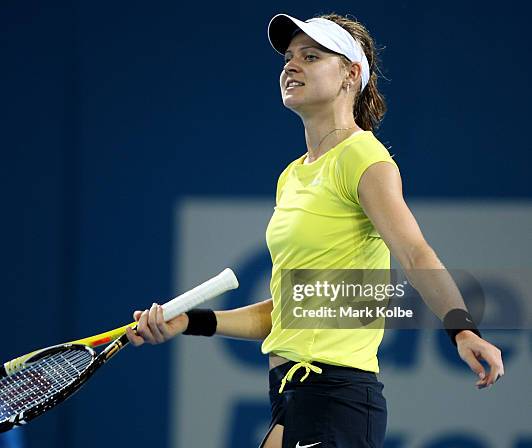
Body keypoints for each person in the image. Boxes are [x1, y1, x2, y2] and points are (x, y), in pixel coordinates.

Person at [125, 12, 505, 448]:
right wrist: (188, 322)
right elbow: (289, 308)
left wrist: (462, 329)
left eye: (311, 56)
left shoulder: (364, 158)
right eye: (288, 57)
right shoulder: (292, 176)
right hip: (290, 397)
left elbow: (416, 255)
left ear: (350, 74)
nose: (291, 65)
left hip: (336, 395)